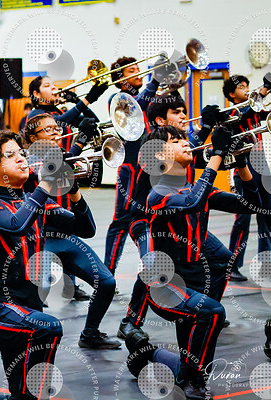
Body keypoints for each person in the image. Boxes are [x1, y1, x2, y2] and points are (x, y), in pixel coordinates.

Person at [0, 129, 97, 399]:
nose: (21, 158)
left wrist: (74, 190)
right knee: (49, 328)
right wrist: (45, 186)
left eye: (21, 153)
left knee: (21, 394)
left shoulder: (35, 202)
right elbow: (16, 224)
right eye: (10, 155)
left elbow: (86, 229)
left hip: (28, 308)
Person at [140, 124, 261, 399]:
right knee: (212, 312)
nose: (185, 143)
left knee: (194, 356)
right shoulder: (158, 193)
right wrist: (217, 155)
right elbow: (192, 202)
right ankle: (187, 381)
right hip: (164, 286)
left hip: (193, 281)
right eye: (175, 140)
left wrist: (241, 164)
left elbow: (252, 204)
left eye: (185, 138)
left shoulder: (196, 189)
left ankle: (146, 354)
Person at [117, 94, 228, 340]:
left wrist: (219, 131)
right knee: (155, 264)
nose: (183, 116)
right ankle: (130, 321)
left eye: (183, 111)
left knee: (223, 258)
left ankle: (204, 307)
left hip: (179, 212)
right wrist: (207, 129)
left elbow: (195, 153)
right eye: (176, 112)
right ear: (160, 121)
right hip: (146, 218)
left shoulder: (180, 145)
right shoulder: (153, 148)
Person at [20, 113, 120, 349]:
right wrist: (79, 143)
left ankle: (90, 333)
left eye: (57, 128)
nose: (56, 132)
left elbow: (88, 226)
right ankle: (27, 343)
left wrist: (82, 145)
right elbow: (43, 170)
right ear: (33, 138)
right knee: (36, 297)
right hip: (38, 239)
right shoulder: (26, 159)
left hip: (65, 235)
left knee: (106, 282)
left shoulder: (63, 157)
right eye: (48, 130)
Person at [28, 74, 107, 300]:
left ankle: (70, 285)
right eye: (47, 86)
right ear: (36, 94)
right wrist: (87, 98)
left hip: (62, 176)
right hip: (45, 179)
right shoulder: (35, 116)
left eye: (54, 84)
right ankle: (37, 291)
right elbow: (63, 121)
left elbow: (92, 122)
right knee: (48, 234)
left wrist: (79, 103)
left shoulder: (58, 114)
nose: (54, 88)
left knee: (67, 228)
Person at [103, 56, 161, 277]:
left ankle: (152, 268)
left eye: (138, 69)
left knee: (150, 218)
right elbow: (137, 107)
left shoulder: (148, 97)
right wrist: (155, 81)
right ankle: (107, 274)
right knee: (121, 221)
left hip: (150, 166)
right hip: (131, 169)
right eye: (131, 71)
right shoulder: (116, 99)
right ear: (120, 79)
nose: (138, 73)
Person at [224, 74, 271, 281]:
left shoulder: (255, 109)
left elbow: (262, 112)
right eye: (241, 87)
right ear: (231, 94)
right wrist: (264, 89)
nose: (246, 89)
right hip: (243, 168)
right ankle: (232, 266)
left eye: (247, 86)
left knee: (267, 216)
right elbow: (246, 112)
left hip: (262, 167)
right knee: (242, 219)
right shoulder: (230, 113)